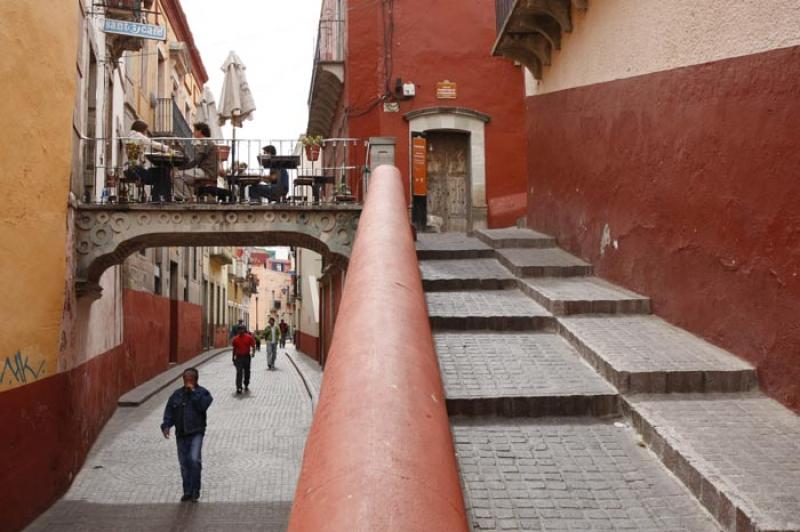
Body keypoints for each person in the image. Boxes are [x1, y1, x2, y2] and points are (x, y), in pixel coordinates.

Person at [160, 367, 213, 503]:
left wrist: (193, 393)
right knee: (184, 463)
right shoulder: (176, 395)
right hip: (181, 434)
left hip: (196, 432)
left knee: (194, 460)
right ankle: (187, 491)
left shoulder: (203, 393)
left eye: (190, 379)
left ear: (195, 380)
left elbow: (202, 407)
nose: (187, 381)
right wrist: (166, 426)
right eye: (185, 379)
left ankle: (196, 490)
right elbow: (169, 412)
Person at [175, 122, 230, 202]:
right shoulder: (206, 142)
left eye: (194, 130)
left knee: (177, 175)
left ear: (200, 131)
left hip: (206, 172)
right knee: (183, 176)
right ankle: (189, 197)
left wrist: (180, 168)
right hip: (207, 171)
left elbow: (196, 160)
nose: (193, 132)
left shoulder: (205, 142)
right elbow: (196, 159)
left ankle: (188, 198)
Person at [124, 120, 173, 201]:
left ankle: (159, 197)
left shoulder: (130, 137)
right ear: (141, 129)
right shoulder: (137, 135)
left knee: (162, 172)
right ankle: (160, 197)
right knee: (163, 172)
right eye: (145, 131)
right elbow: (151, 143)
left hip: (131, 169)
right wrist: (167, 148)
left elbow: (136, 155)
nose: (145, 133)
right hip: (135, 170)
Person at [231, 325, 256, 393]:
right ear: (238, 331)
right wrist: (233, 357)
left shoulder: (249, 337)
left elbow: (253, 345)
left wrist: (253, 353)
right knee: (239, 372)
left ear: (244, 330)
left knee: (247, 371)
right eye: (239, 330)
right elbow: (234, 348)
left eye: (241, 329)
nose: (240, 331)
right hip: (239, 357)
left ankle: (246, 383)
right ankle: (239, 386)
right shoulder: (235, 339)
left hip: (246, 357)